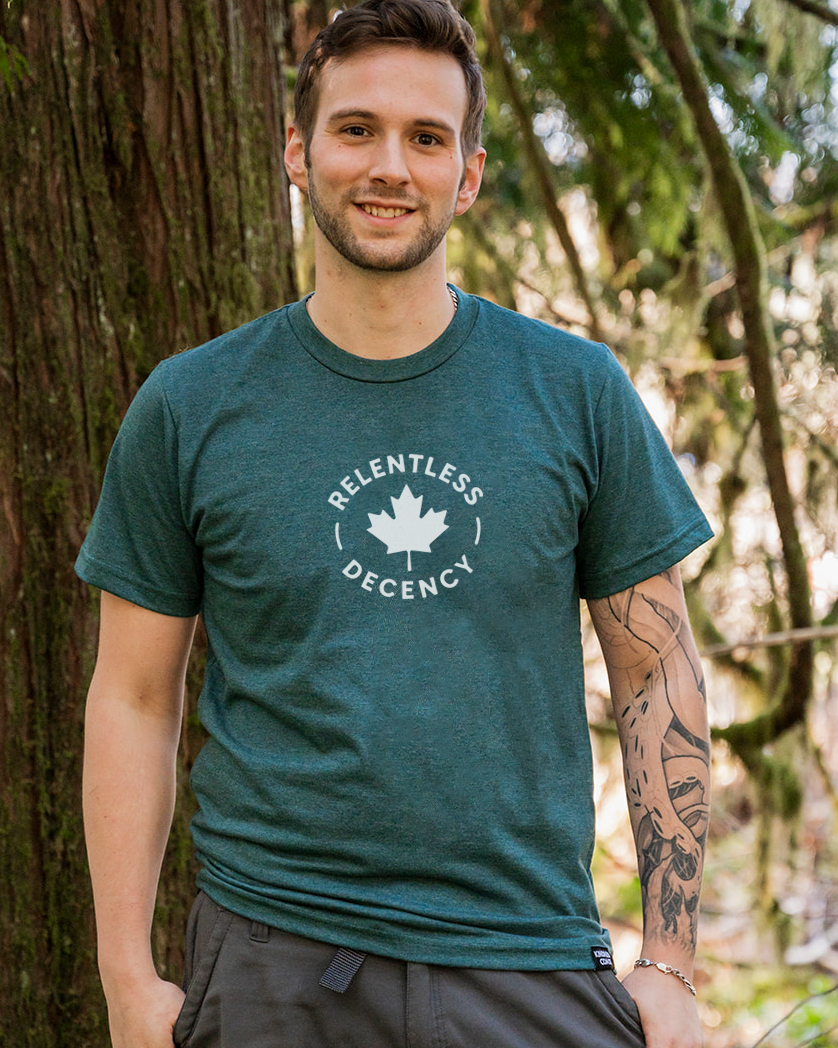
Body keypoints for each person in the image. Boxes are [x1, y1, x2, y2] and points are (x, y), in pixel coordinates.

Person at [77, 2, 713, 1046]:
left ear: (465, 175)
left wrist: (671, 967)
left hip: (528, 965)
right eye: (356, 128)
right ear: (297, 149)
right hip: (270, 961)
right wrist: (125, 981)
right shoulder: (190, 406)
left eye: (426, 139)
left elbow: (657, 672)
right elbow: (135, 696)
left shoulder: (575, 392)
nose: (388, 166)